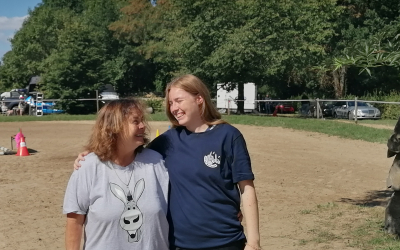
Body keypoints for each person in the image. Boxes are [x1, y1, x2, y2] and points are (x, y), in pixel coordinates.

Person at [75, 74, 261, 250]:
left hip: (226, 241)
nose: (174, 108)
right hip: (179, 244)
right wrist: (93, 153)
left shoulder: (228, 136)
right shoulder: (167, 142)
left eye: (179, 100)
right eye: (171, 103)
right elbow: (127, 151)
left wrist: (253, 242)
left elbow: (246, 188)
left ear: (199, 98)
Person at [63, 99, 170, 250]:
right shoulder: (88, 167)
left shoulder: (155, 162)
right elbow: (75, 221)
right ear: (114, 127)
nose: (143, 126)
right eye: (135, 121)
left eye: (142, 120)